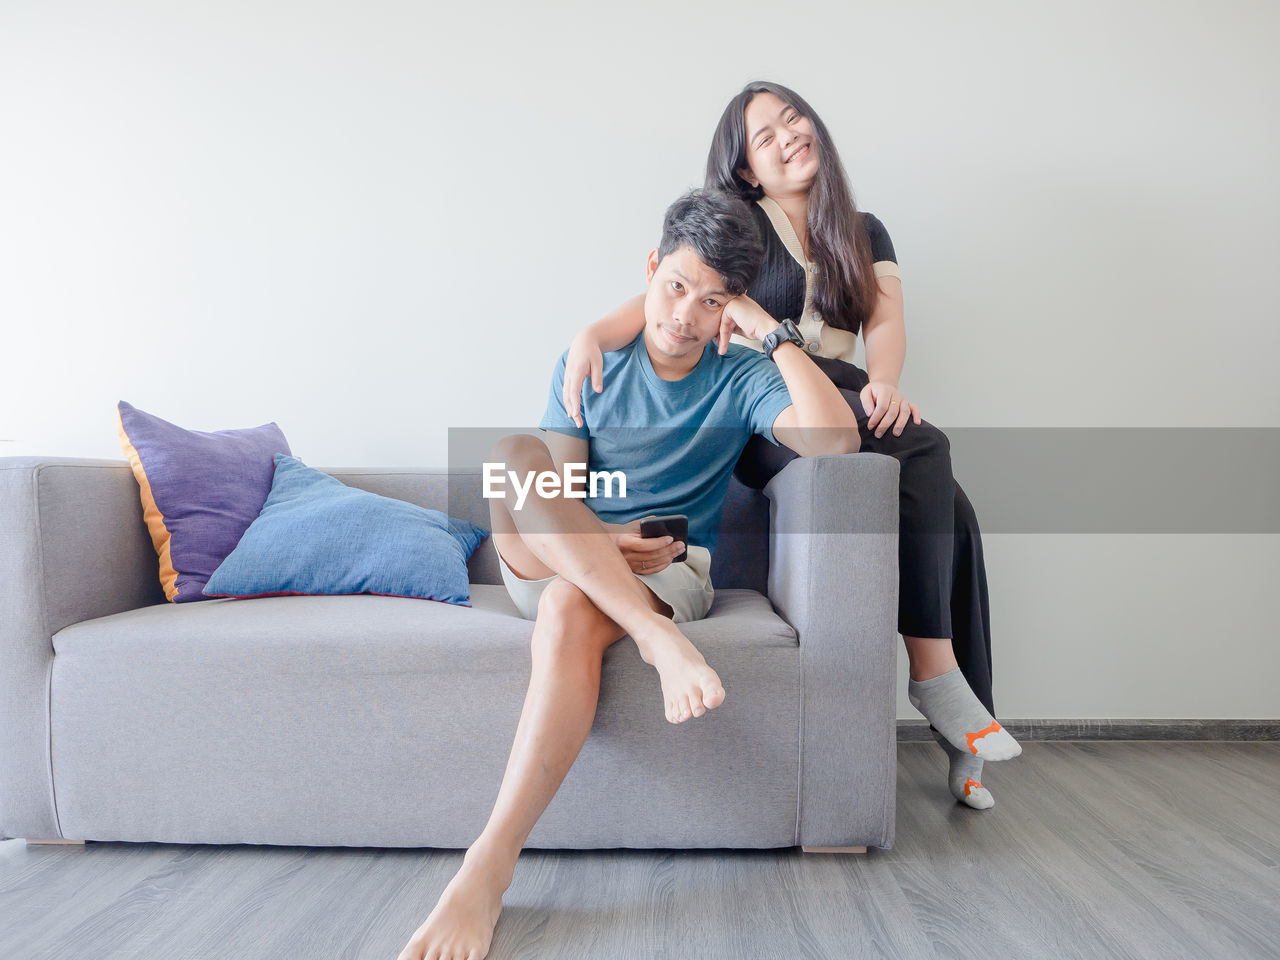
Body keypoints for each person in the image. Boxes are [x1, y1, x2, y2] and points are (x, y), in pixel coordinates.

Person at [397, 189, 858, 960]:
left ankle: (487, 867)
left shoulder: (738, 378)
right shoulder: (593, 361)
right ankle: (654, 639)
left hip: (664, 568)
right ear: (651, 268)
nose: (684, 315)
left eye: (712, 301)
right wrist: (604, 542)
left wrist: (771, 333)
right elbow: (557, 492)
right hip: (568, 551)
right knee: (512, 454)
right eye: (676, 286)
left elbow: (836, 442)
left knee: (570, 608)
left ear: (733, 308)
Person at [562, 81, 1021, 813]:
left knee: (951, 510)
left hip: (847, 389)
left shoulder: (864, 230)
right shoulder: (737, 224)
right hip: (771, 403)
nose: (788, 137)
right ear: (745, 166)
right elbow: (674, 290)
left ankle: (962, 728)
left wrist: (886, 381)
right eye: (765, 136)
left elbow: (886, 322)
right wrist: (592, 333)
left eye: (793, 119)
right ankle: (934, 676)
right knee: (928, 449)